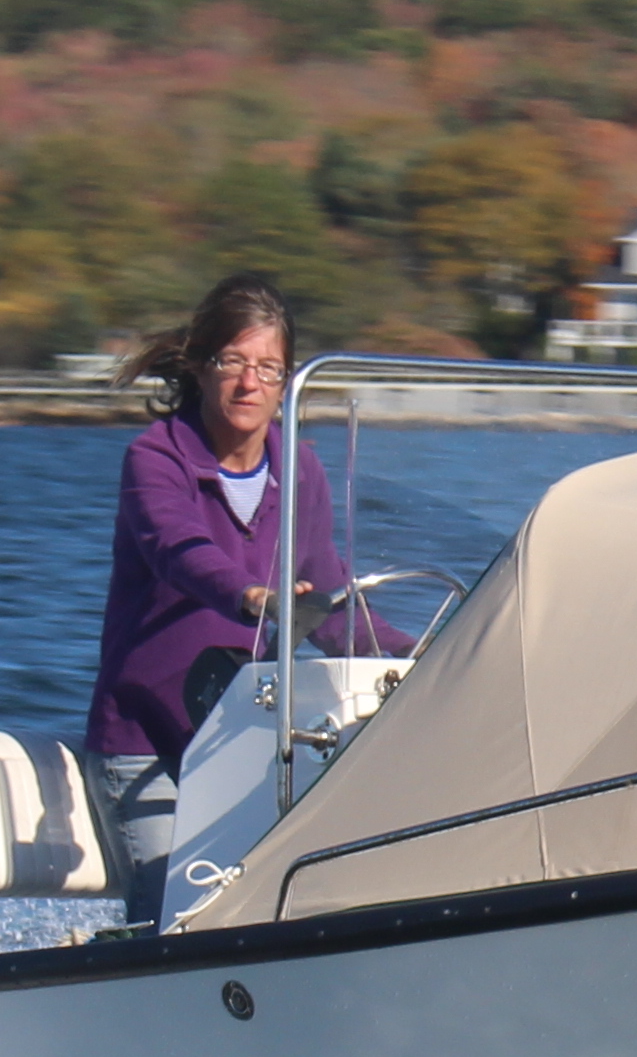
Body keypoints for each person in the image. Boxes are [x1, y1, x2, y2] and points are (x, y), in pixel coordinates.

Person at [86, 276, 404, 908]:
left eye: (268, 368)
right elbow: (177, 549)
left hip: (241, 741)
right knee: (177, 918)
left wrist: (425, 652)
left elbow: (328, 598)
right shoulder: (156, 459)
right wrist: (251, 595)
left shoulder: (300, 469)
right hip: (145, 744)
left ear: (286, 382)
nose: (248, 383)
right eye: (232, 362)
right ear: (201, 368)